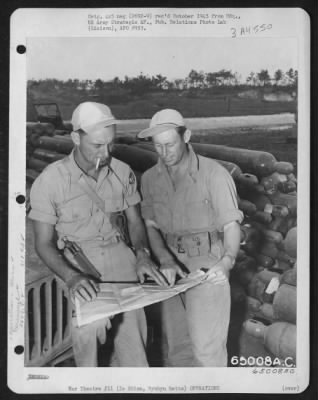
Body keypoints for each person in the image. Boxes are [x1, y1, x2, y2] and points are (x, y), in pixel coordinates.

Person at [29, 102, 168, 367]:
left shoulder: (122, 172)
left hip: (119, 253)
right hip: (78, 260)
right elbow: (43, 244)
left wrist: (142, 254)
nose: (105, 153)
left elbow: (135, 222)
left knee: (135, 342)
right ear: (75, 138)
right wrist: (71, 277)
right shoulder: (51, 180)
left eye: (110, 144)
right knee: (92, 327)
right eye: (96, 145)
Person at [138, 109, 244, 367]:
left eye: (170, 144)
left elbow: (231, 225)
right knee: (178, 351)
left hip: (207, 265)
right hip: (170, 269)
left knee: (207, 354)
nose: (164, 153)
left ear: (186, 136)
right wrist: (164, 258)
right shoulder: (150, 179)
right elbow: (150, 225)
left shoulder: (214, 174)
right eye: (158, 146)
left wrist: (227, 261)